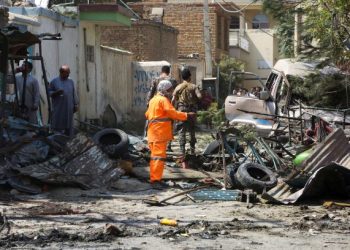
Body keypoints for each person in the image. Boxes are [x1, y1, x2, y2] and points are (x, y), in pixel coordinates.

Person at [145, 80, 195, 189]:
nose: (170, 92)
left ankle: (155, 178)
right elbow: (172, 113)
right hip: (159, 133)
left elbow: (147, 114)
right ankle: (155, 181)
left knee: (155, 158)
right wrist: (187, 115)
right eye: (169, 90)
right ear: (165, 89)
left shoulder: (153, 100)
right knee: (158, 158)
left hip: (153, 133)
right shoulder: (163, 100)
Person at [172, 68, 202, 154]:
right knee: (192, 130)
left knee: (182, 130)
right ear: (190, 77)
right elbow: (199, 96)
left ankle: (182, 151)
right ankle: (192, 150)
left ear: (182, 77)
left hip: (181, 110)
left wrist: (173, 110)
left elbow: (173, 100)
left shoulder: (178, 87)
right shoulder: (194, 86)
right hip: (192, 111)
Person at [49, 65, 78, 136]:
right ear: (61, 73)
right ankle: (58, 139)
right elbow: (49, 92)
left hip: (69, 107)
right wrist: (56, 93)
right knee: (58, 124)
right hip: (59, 107)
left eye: (69, 73)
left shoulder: (71, 81)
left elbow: (74, 93)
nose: (68, 75)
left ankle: (70, 139)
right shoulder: (54, 81)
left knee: (69, 125)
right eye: (67, 73)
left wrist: (76, 104)